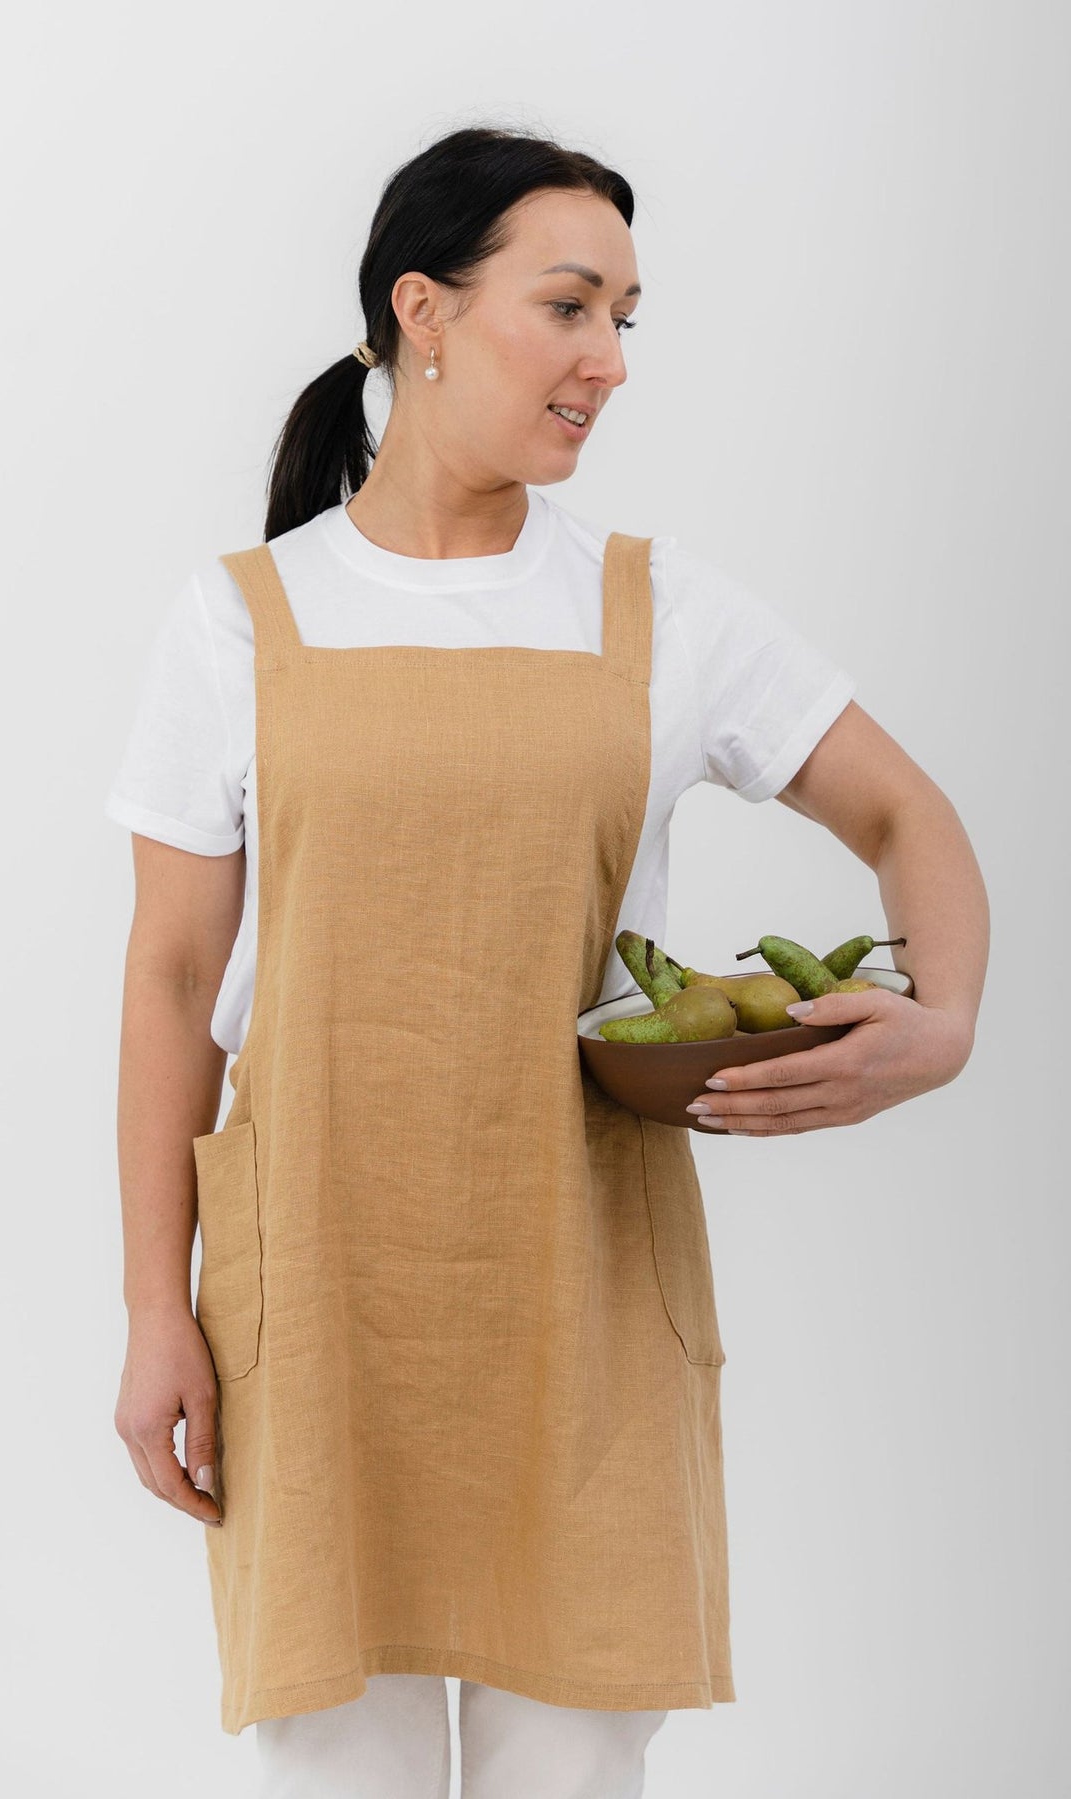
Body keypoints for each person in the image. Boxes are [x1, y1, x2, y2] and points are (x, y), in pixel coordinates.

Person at [107, 125, 988, 1798]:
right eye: (573, 307)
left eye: (628, 320)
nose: (610, 362)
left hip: (580, 1292)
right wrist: (159, 1313)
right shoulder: (239, 622)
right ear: (422, 312)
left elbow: (905, 812)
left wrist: (943, 1021)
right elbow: (168, 989)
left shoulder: (665, 612)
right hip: (314, 1299)